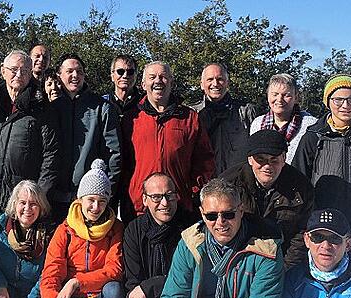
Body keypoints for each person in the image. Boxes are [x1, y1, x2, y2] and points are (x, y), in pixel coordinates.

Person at [0, 49, 58, 277]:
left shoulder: (40, 109)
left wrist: (39, 196)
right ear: (3, 71)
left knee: (16, 259)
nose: (18, 74)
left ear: (31, 74)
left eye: (24, 70)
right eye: (13, 69)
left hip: (21, 202)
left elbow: (51, 155)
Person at [292, 74, 351, 270]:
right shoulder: (313, 137)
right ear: (328, 102)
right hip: (324, 232)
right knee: (326, 287)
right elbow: (297, 180)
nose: (345, 105)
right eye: (338, 100)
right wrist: (306, 216)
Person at [38, 160, 124, 298]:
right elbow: (50, 274)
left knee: (113, 289)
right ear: (80, 200)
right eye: (91, 200)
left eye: (102, 201)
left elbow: (114, 270)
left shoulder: (115, 229)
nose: (96, 207)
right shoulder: (65, 230)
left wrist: (77, 282)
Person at [115, 172, 191, 298]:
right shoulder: (134, 230)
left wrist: (152, 285)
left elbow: (188, 281)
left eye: (169, 195)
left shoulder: (190, 228)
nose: (164, 202)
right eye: (156, 197)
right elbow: (133, 287)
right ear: (145, 200)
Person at [125, 61, 214, 217]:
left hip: (179, 206)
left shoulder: (189, 118)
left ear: (171, 83)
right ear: (143, 84)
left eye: (163, 77)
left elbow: (204, 160)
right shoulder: (131, 119)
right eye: (152, 77)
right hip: (140, 207)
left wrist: (193, 192)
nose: (158, 81)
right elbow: (123, 163)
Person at [220, 129, 314, 268]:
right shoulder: (228, 184)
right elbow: (215, 224)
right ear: (250, 159)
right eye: (261, 159)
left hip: (281, 259)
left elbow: (303, 232)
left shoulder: (301, 187)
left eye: (273, 160)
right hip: (236, 258)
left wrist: (284, 268)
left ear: (284, 159)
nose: (267, 166)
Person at [50, 53, 122, 221]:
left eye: (79, 71)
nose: (75, 75)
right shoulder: (51, 109)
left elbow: (114, 155)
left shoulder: (102, 108)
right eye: (69, 71)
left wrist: (103, 192)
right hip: (55, 197)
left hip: (90, 201)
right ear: (59, 76)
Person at [192, 63, 258, 175]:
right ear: (202, 84)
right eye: (210, 79)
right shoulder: (193, 115)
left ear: (227, 83)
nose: (215, 84)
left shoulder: (246, 112)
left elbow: (257, 150)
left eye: (220, 79)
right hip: (204, 184)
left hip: (238, 184)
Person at [249, 73, 317, 163]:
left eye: (286, 95)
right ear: (268, 96)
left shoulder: (310, 125)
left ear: (296, 98)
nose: (279, 99)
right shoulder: (257, 124)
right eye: (275, 94)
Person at [104, 54, 142, 119]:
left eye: (130, 72)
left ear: (136, 76)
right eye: (120, 71)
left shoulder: (144, 104)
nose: (125, 76)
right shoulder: (102, 103)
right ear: (112, 76)